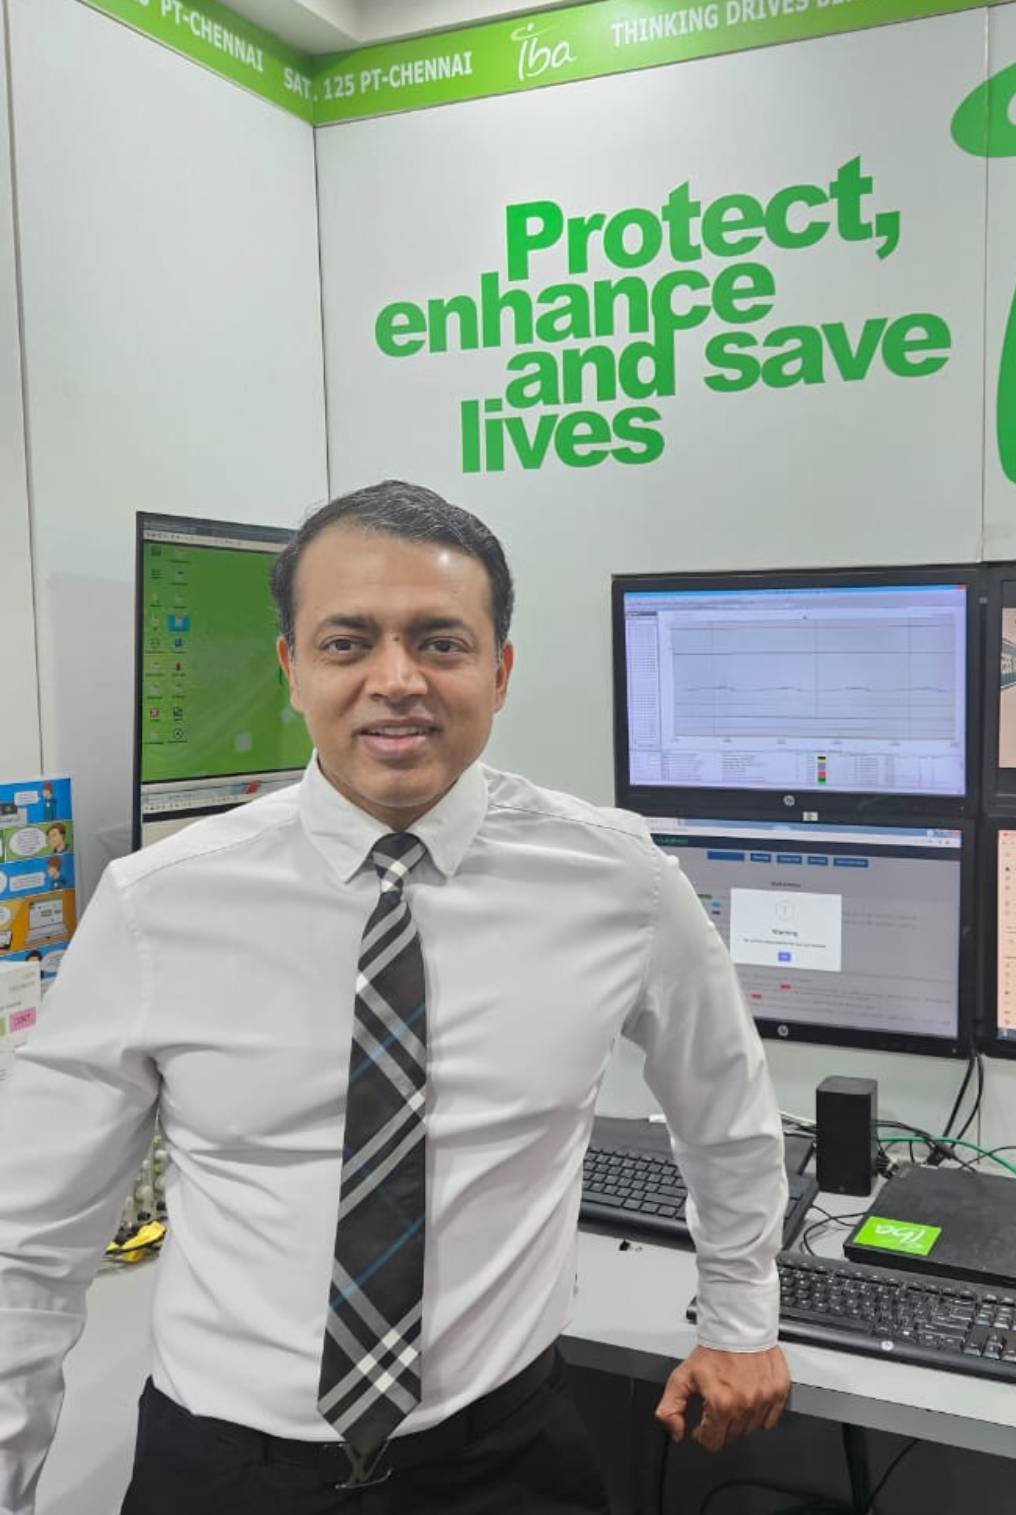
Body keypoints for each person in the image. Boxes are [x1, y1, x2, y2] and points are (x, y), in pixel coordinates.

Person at [0, 482, 790, 1515]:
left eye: (440, 642)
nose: (396, 680)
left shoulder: (619, 881)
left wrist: (741, 1316)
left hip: (506, 1460)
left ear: (499, 671)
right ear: (291, 669)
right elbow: (31, 1238)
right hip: (228, 1469)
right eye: (347, 642)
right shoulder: (158, 904)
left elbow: (725, 1105)